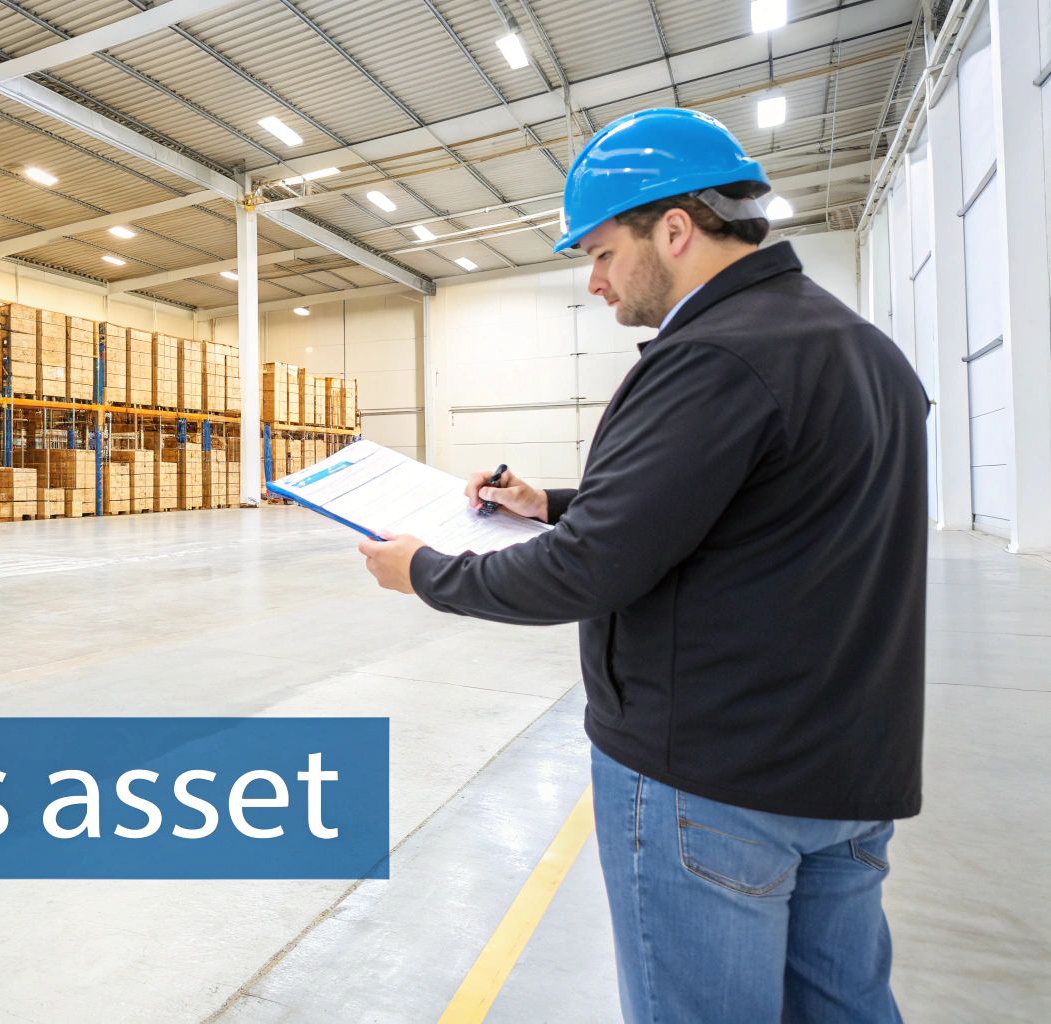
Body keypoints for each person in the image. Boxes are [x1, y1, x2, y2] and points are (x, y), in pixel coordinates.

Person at [358, 108, 927, 1022]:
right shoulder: (864, 350)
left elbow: (587, 571)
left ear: (675, 228)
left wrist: (429, 570)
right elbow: (762, 510)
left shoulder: (711, 355)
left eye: (601, 252)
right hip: (848, 774)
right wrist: (549, 502)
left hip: (715, 784)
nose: (594, 282)